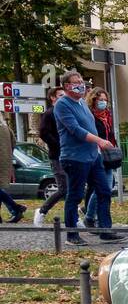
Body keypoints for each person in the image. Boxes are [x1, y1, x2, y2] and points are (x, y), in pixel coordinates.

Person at [52, 70, 120, 245]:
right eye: (76, 82)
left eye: (81, 81)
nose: (81, 85)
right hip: (74, 157)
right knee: (75, 195)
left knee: (104, 191)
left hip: (92, 156)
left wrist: (98, 145)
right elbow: (76, 130)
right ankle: (72, 235)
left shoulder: (82, 103)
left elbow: (91, 126)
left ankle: (105, 230)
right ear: (67, 86)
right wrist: (100, 141)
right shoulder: (62, 105)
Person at [80, 87, 115, 230]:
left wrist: (114, 149)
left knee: (106, 187)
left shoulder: (107, 116)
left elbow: (110, 135)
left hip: (107, 155)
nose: (103, 103)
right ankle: (91, 218)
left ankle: (90, 217)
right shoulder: (90, 116)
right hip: (96, 154)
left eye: (105, 100)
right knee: (103, 188)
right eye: (100, 100)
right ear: (93, 100)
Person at [34, 88, 67, 227]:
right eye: (60, 95)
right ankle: (42, 211)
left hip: (70, 155)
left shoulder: (66, 112)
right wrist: (58, 144)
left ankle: (74, 216)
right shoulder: (49, 114)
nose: (63, 98)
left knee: (74, 189)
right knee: (63, 189)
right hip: (57, 156)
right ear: (53, 98)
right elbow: (43, 133)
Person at [0, 117, 25, 223]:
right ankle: (15, 209)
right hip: (5, 160)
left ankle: (15, 207)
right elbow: (14, 141)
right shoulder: (4, 125)